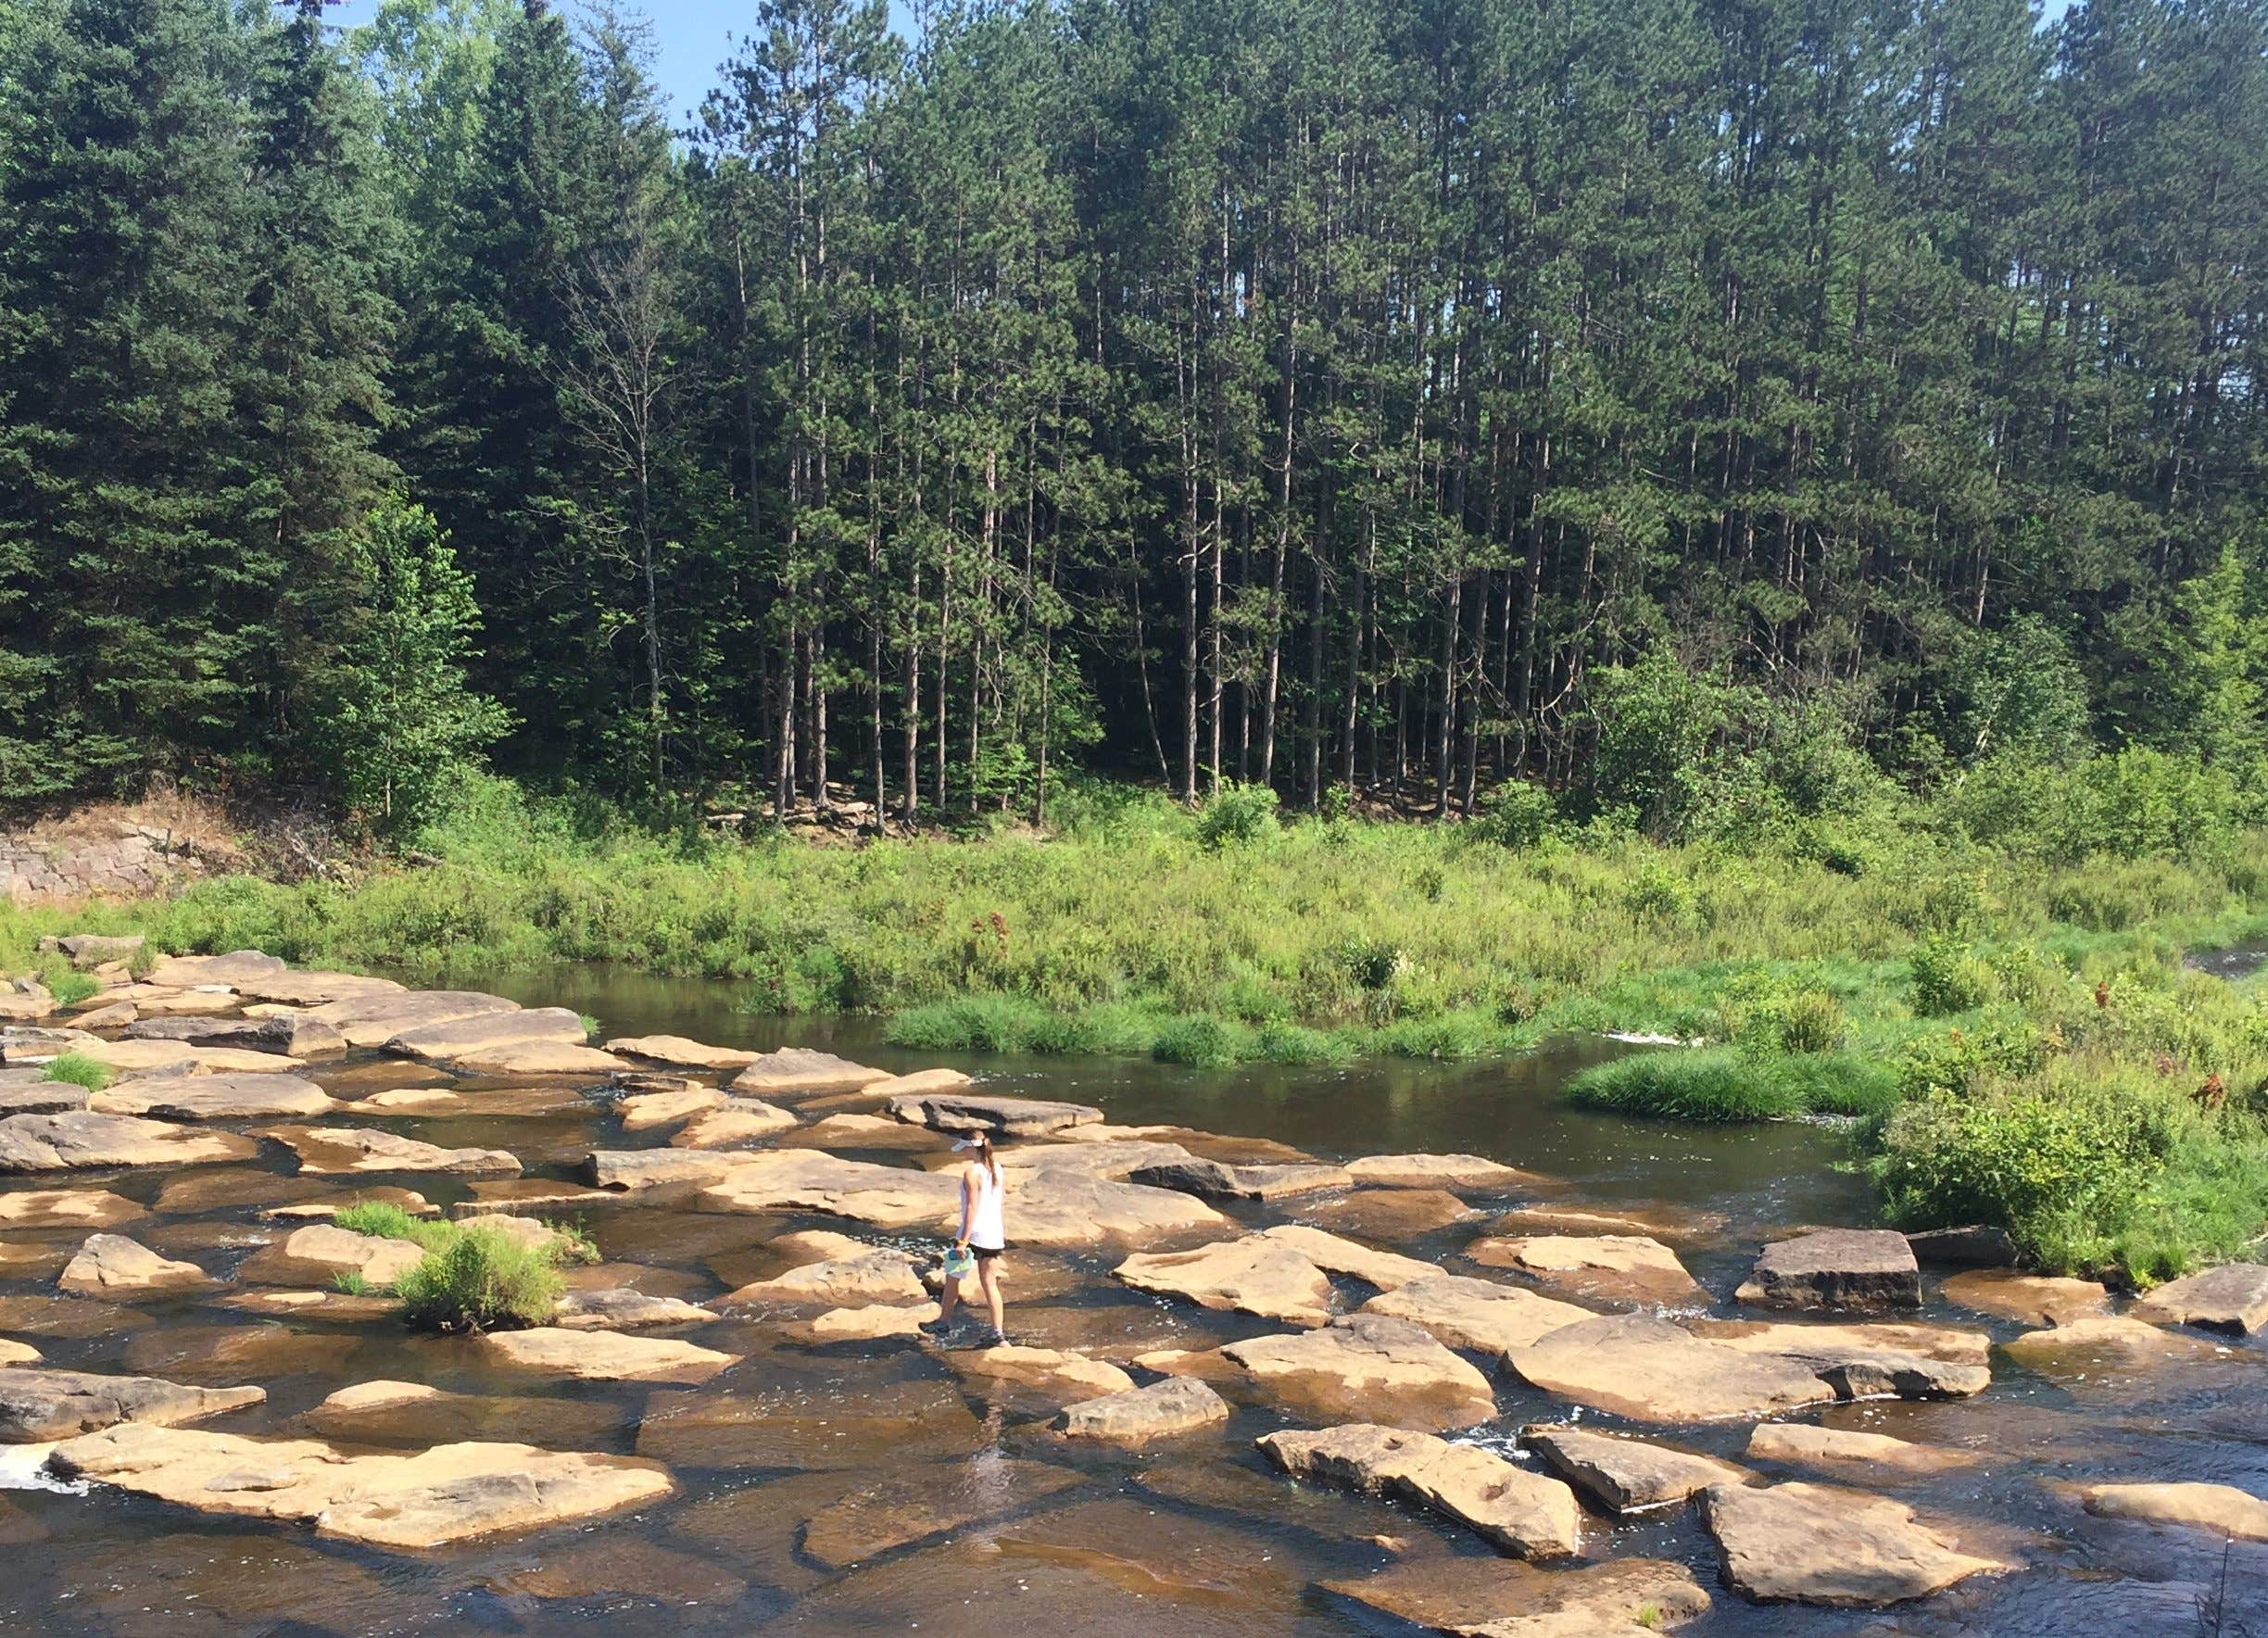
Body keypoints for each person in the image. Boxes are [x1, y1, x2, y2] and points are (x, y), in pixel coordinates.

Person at [924, 1128, 1007, 1343]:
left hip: (970, 1236)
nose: (962, 1154)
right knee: (990, 1284)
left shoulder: (971, 1173)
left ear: (971, 1147)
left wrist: (962, 1242)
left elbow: (972, 1207)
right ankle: (997, 1333)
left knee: (953, 1279)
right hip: (993, 1236)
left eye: (963, 1149)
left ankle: (943, 1323)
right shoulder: (997, 1168)